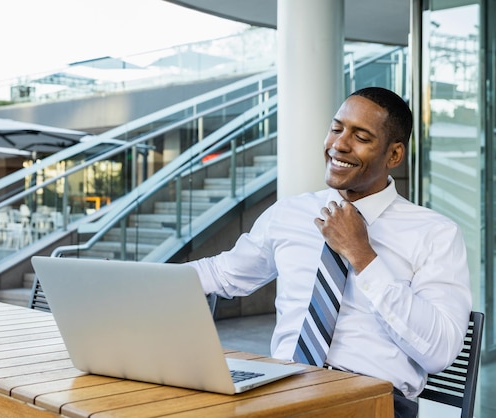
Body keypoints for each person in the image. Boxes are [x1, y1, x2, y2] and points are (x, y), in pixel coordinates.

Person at [187, 87, 472, 418]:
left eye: (360, 136)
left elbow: (440, 351)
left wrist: (362, 255)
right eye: (337, 128)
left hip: (374, 401)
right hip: (284, 389)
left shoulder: (435, 234)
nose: (339, 144)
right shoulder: (289, 214)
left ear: (394, 156)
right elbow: (223, 273)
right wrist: (138, 282)